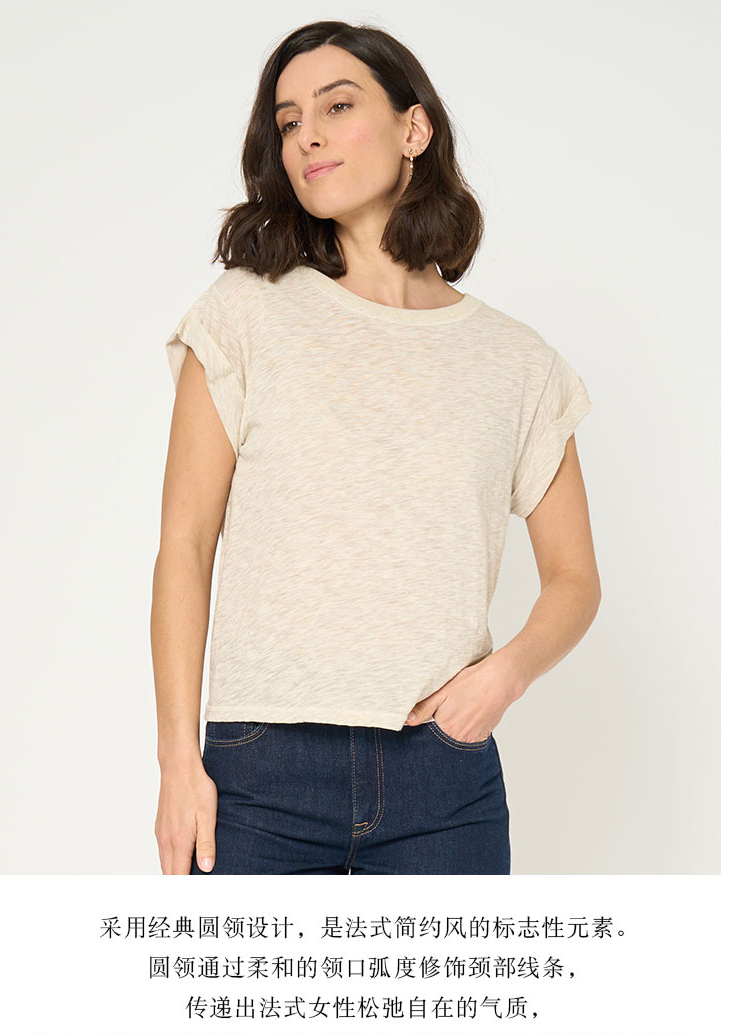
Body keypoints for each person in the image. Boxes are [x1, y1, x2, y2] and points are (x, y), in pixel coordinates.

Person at [151, 20, 601, 876]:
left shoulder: (517, 362)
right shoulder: (244, 315)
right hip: (261, 768)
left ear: (413, 128)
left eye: (338, 106)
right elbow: (186, 544)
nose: (307, 135)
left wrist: (501, 678)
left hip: (444, 776)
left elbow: (575, 578)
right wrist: (179, 760)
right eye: (288, 121)